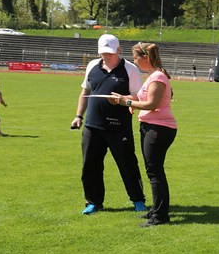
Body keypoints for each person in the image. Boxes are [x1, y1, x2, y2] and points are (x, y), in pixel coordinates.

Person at [71, 34, 146, 215]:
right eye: (103, 53)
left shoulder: (130, 69)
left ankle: (138, 200)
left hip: (119, 127)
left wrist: (121, 100)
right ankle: (94, 202)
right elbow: (85, 91)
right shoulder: (92, 66)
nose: (106, 56)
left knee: (127, 164)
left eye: (110, 53)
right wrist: (78, 115)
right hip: (92, 126)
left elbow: (139, 97)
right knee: (90, 165)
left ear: (119, 50)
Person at [108, 43, 177, 227]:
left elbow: (152, 104)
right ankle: (156, 210)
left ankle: (161, 216)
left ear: (145, 57)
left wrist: (126, 102)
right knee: (153, 170)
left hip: (158, 128)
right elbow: (142, 99)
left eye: (136, 57)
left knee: (155, 171)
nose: (134, 61)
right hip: (151, 126)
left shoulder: (158, 77)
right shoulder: (152, 76)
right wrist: (123, 99)